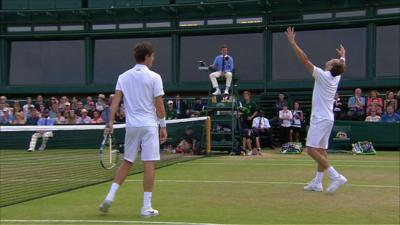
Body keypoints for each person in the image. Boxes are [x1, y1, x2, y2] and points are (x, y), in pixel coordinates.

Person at [99, 42, 167, 217]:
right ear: (146, 56)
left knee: (127, 162)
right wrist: (163, 126)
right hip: (149, 125)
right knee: (149, 163)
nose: (153, 59)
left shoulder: (123, 76)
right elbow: (159, 105)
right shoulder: (155, 77)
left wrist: (111, 122)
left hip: (132, 126)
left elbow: (115, 101)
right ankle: (146, 207)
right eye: (152, 56)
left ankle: (109, 197)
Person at [286, 26, 347, 193]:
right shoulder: (337, 76)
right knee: (321, 150)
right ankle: (318, 182)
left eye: (331, 60)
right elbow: (341, 64)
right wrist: (343, 56)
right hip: (328, 118)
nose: (329, 59)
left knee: (311, 150)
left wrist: (292, 42)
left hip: (320, 118)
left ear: (330, 67)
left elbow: (305, 60)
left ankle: (335, 176)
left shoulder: (323, 74)